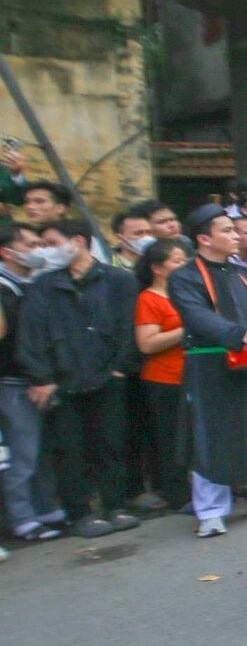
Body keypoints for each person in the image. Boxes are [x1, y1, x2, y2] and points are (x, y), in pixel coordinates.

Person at [167, 207, 247, 537]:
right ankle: (211, 510)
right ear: (203, 238)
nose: (236, 236)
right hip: (211, 365)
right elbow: (197, 317)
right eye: (226, 230)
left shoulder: (241, 273)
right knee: (212, 435)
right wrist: (239, 334)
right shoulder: (184, 276)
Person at [14, 220, 141, 538]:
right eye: (40, 244)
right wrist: (41, 376)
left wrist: (120, 367)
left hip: (108, 376)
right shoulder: (43, 286)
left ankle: (115, 505)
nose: (46, 251)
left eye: (51, 242)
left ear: (78, 241)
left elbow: (129, 327)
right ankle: (80, 512)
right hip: (63, 380)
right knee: (71, 451)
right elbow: (31, 335)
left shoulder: (118, 280)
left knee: (112, 443)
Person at [0, 222, 66, 547]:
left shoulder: (29, 285)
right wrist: (37, 376)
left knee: (39, 452)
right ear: (7, 251)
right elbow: (14, 342)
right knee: (21, 455)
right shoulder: (4, 288)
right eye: (31, 244)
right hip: (14, 382)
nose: (40, 250)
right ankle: (22, 518)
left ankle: (45, 510)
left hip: (36, 379)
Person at [130, 238, 192, 512]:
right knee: (171, 440)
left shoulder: (188, 293)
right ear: (157, 267)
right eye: (177, 261)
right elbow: (147, 343)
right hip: (165, 379)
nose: (184, 265)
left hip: (193, 375)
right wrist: (186, 329)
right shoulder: (148, 298)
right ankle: (177, 495)